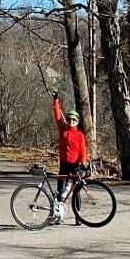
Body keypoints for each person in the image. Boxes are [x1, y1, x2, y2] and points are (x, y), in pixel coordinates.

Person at [50, 90, 87, 224]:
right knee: (60, 190)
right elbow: (58, 116)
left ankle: (78, 217)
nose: (71, 121)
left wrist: (83, 161)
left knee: (76, 192)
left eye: (74, 119)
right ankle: (59, 216)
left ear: (77, 122)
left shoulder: (79, 135)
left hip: (76, 165)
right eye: (70, 119)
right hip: (64, 164)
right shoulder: (63, 130)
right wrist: (56, 101)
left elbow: (83, 150)